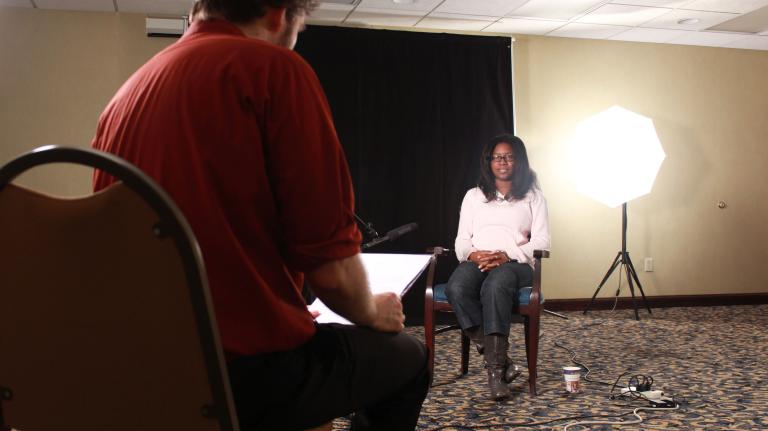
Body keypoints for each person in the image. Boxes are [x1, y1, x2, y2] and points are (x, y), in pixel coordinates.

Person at [91, 0, 429, 429]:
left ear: (200, 9)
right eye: (299, 28)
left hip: (140, 368)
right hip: (241, 373)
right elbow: (331, 273)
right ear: (278, 14)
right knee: (409, 360)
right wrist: (372, 310)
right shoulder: (274, 69)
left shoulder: (125, 96)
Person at [444, 134, 550, 401]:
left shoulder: (533, 197)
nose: (502, 162)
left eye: (509, 156)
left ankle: (494, 373)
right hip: (478, 260)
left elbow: (542, 241)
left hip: (516, 265)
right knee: (456, 287)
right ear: (488, 162)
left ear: (519, 161)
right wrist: (473, 253)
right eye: (497, 157)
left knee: (496, 285)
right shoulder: (473, 196)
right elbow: (461, 240)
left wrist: (507, 255)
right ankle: (503, 362)